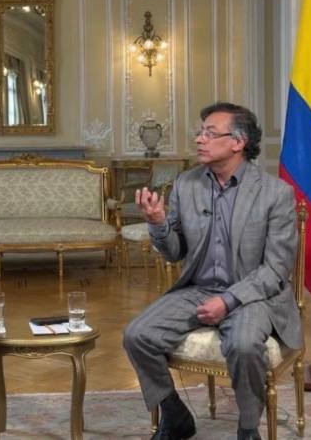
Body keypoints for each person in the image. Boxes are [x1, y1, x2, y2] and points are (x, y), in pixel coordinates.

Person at [122, 102, 301, 440]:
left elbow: (276, 269)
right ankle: (175, 415)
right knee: (137, 335)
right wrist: (158, 223)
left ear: (238, 142)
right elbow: (174, 252)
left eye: (209, 133)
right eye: (200, 132)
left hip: (251, 295)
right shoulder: (186, 185)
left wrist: (229, 301)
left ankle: (248, 428)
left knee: (244, 345)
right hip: (198, 289)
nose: (199, 139)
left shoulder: (275, 193)